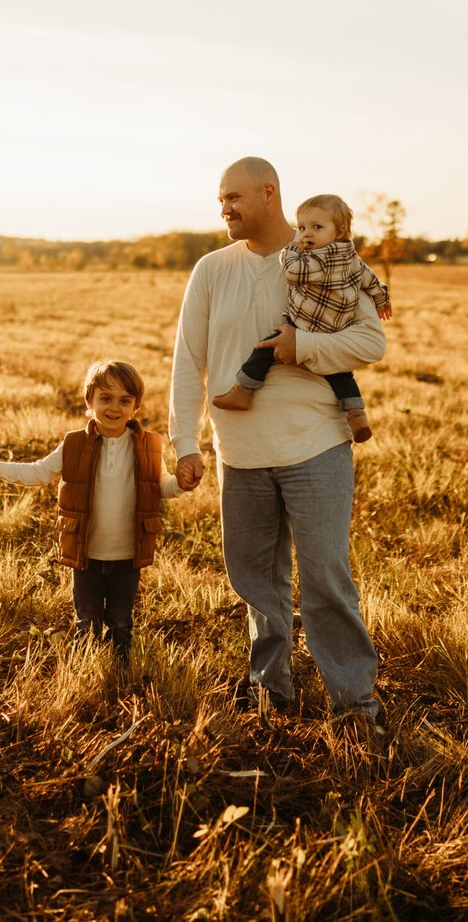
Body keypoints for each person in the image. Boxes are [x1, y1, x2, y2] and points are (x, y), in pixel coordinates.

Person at [169, 156, 385, 725]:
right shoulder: (212, 269)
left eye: (233, 197)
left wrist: (303, 346)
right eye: (220, 199)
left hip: (314, 444)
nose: (224, 209)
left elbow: (370, 341)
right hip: (238, 454)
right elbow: (188, 361)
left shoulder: (329, 259)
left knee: (325, 579)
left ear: (269, 193)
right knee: (256, 582)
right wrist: (184, 441)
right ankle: (270, 688)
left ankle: (354, 701)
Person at [0, 359, 184, 661]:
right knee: (86, 622)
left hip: (127, 555)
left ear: (135, 406)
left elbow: (162, 487)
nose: (115, 408)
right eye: (105, 398)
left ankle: (120, 676)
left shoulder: (149, 446)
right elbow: (38, 472)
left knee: (121, 623)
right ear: (89, 402)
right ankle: (87, 671)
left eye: (125, 400)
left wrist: (182, 482)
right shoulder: (73, 445)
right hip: (85, 554)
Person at [211, 193, 393, 442]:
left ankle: (242, 391)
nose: (307, 234)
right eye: (303, 227)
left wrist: (291, 250)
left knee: (264, 350)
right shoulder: (353, 260)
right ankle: (356, 414)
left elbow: (293, 274)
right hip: (336, 329)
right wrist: (383, 300)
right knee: (341, 373)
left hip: (304, 324)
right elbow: (371, 281)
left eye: (317, 228)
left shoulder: (316, 260)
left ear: (339, 232)